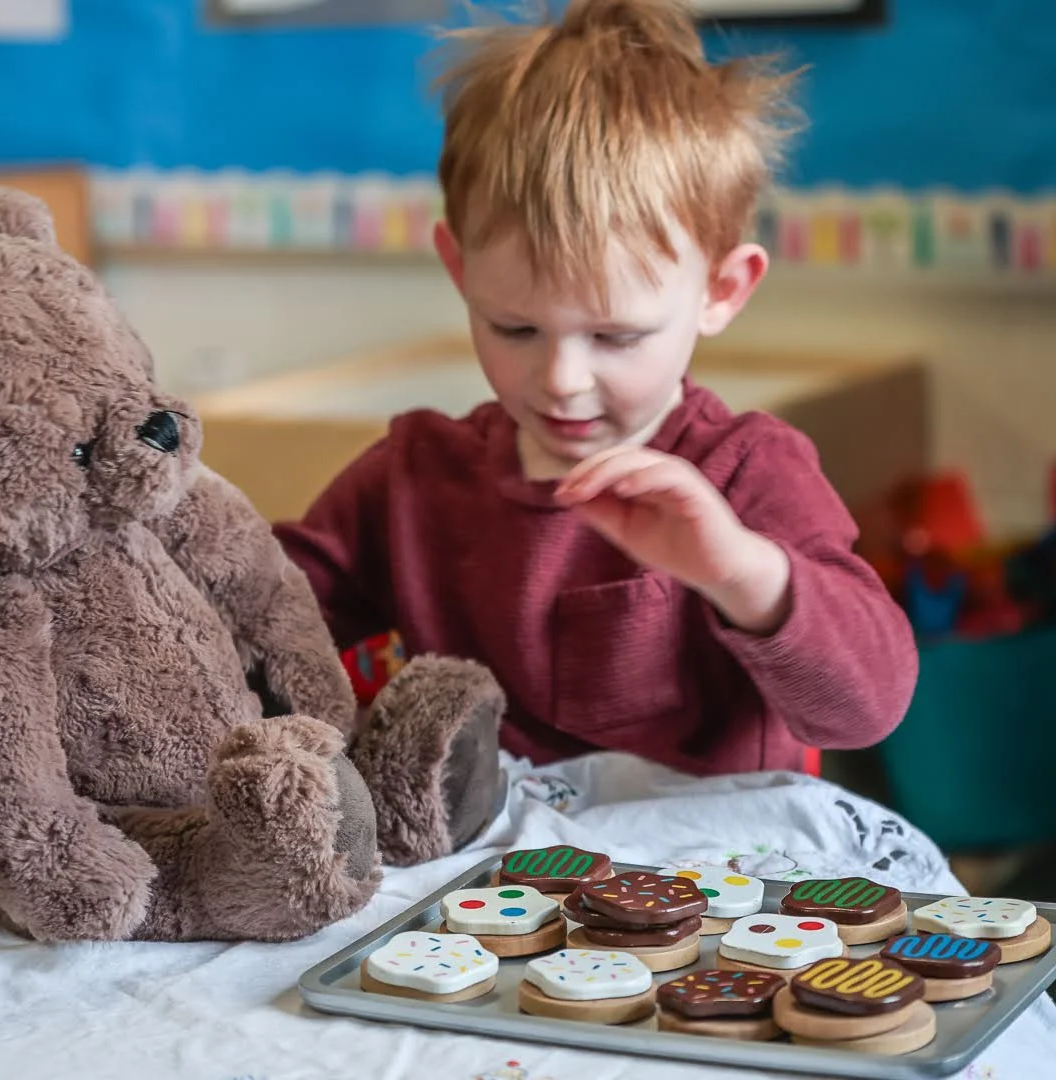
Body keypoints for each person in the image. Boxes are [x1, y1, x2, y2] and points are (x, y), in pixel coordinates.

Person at [275, 0, 917, 776]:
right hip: (498, 882)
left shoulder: (750, 470)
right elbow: (263, 610)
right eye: (515, 329)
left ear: (723, 289)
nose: (561, 381)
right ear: (459, 269)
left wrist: (744, 575)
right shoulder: (411, 478)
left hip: (712, 880)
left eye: (616, 337)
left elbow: (868, 708)